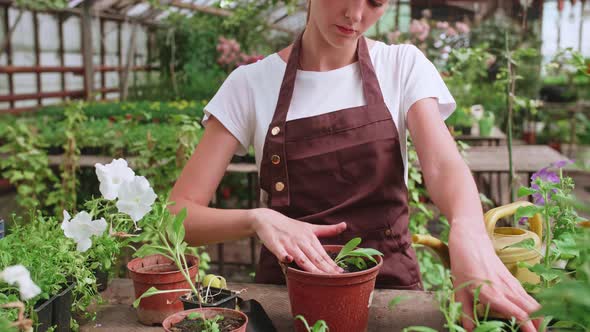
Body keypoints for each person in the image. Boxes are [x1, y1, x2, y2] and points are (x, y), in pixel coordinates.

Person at [170, 1, 540, 331]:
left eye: (376, 2)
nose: (356, 15)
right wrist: (257, 219)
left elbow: (443, 166)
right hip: (287, 305)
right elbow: (178, 214)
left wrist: (469, 234)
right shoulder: (250, 85)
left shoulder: (400, 65)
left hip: (390, 300)